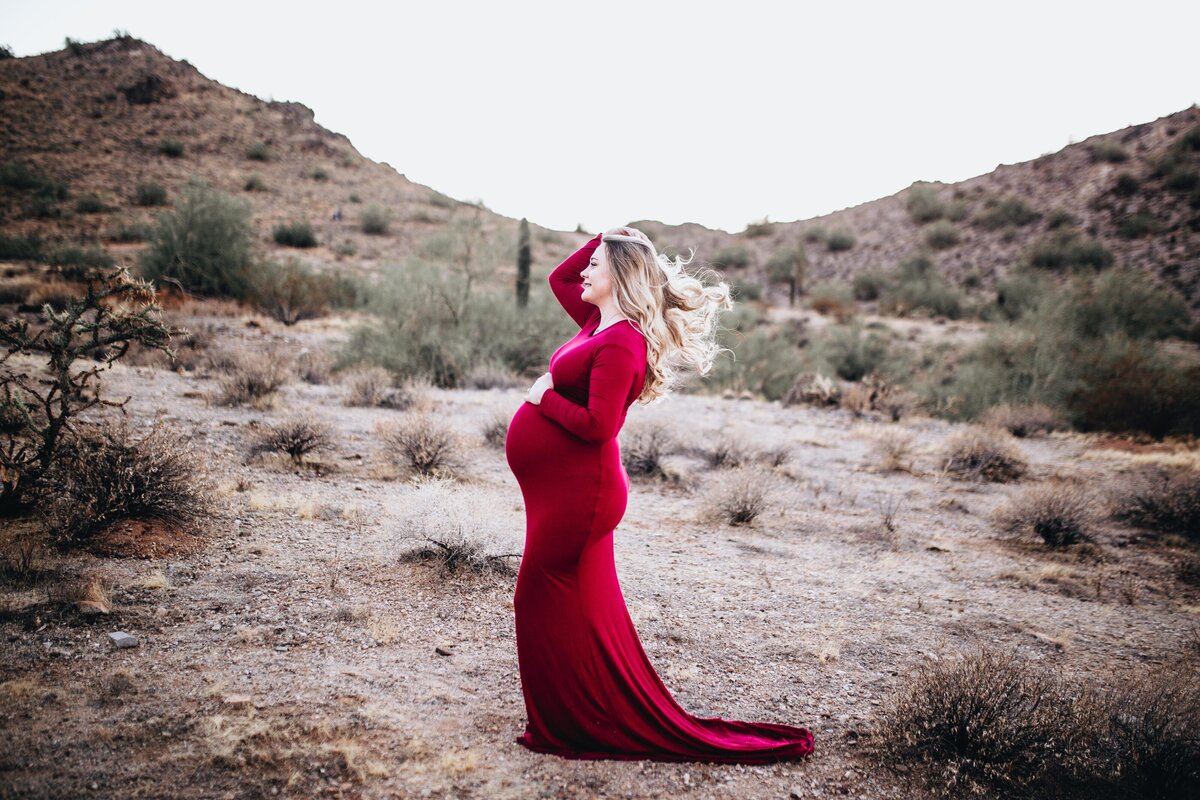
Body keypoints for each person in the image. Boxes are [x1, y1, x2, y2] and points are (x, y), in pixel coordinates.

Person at [504, 225, 815, 762]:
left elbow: (599, 426)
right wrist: (604, 237)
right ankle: (587, 712)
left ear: (620, 275)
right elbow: (560, 276)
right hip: (563, 492)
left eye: (597, 264)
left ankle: (568, 724)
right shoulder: (597, 322)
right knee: (586, 610)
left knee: (536, 595)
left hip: (583, 496)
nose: (585, 271)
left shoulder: (622, 341)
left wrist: (544, 397)